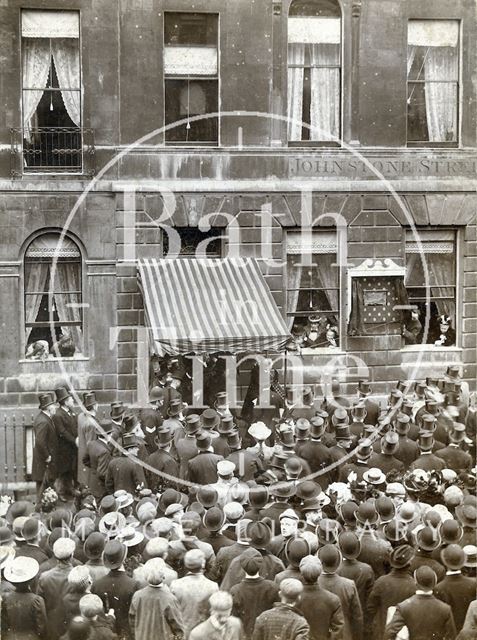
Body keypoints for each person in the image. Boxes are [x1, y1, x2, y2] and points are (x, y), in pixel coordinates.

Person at [384, 566, 456, 640]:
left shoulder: (404, 606)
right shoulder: (445, 609)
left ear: (416, 583)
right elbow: (451, 636)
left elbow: (389, 632)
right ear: (434, 583)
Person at [92, 540, 140, 640]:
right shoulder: (133, 585)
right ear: (123, 559)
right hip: (126, 634)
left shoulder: (97, 585)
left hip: (106, 634)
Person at [129, 558, 184, 640]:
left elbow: (132, 622)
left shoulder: (137, 596)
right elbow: (179, 629)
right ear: (163, 576)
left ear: (146, 576)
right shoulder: (170, 598)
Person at [170, 549, 219, 639]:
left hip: (182, 633)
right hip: (203, 635)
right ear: (203, 564)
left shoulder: (175, 585)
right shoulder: (213, 587)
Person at [230, 553, 279, 640]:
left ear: (243, 567)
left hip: (245, 635)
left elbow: (234, 618)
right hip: (267, 635)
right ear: (260, 566)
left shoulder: (235, 590)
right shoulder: (272, 587)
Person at [298, 555, 345, 640]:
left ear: (301, 572)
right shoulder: (333, 600)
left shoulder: (294, 598)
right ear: (320, 572)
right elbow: (338, 631)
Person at [1, 556, 47, 640]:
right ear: (31, 580)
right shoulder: (36, 600)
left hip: (10, 637)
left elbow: (4, 621)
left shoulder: (6, 597)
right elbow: (42, 626)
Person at [53, 386, 79, 501]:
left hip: (72, 448)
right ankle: (61, 493)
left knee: (72, 469)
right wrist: (75, 440)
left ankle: (70, 490)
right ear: (65, 402)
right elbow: (62, 432)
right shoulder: (58, 415)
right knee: (64, 471)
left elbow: (75, 426)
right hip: (64, 449)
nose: (72, 401)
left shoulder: (71, 412)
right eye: (70, 399)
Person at [31, 392, 58, 503]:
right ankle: (41, 510)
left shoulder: (46, 418)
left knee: (46, 488)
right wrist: (47, 456)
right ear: (47, 407)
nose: (55, 407)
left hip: (45, 462)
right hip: (44, 462)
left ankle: (46, 508)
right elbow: (40, 442)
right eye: (53, 405)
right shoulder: (43, 421)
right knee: (42, 489)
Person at [77, 392, 99, 486]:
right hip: (88, 460)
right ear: (94, 406)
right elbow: (91, 445)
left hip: (81, 454)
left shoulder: (81, 416)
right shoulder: (91, 423)